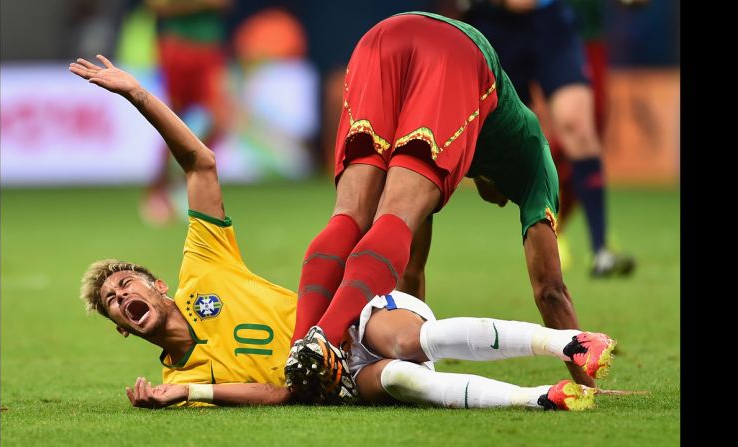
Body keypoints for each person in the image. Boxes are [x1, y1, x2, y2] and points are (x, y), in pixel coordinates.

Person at [68, 55, 615, 411]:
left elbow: (201, 165)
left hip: (354, 315)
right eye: (115, 302)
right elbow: (276, 392)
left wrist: (137, 95)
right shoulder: (177, 384)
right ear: (122, 329)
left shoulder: (203, 267)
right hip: (339, 381)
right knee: (401, 381)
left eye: (126, 284)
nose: (124, 297)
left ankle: (568, 342)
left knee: (399, 343)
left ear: (158, 285)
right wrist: (185, 391)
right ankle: (544, 397)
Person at [286, 11, 597, 401]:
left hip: (380, 36)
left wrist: (408, 360)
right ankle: (324, 341)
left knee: (351, 215)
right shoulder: (536, 156)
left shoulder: (469, 153)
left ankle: (299, 350)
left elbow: (409, 273)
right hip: (457, 54)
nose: (501, 205)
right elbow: (551, 290)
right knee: (394, 217)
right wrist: (588, 383)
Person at [459, 0, 635, 277]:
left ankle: (600, 250)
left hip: (551, 22)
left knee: (578, 126)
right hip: (494, 26)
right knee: (497, 157)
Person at [140, 0, 232, 226]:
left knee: (220, 120)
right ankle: (157, 190)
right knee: (172, 120)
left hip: (209, 50)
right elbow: (157, 6)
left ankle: (183, 180)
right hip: (177, 48)